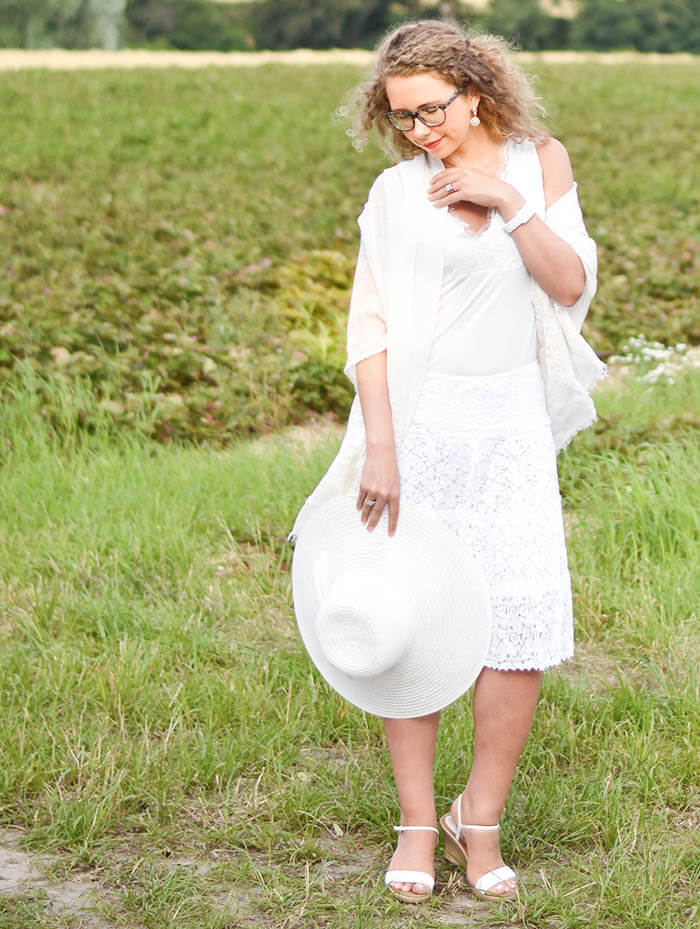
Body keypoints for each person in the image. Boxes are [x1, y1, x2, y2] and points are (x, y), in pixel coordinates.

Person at [291, 19, 605, 904]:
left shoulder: (540, 161)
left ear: (475, 91)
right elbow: (371, 328)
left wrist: (510, 204)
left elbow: (571, 283)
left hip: (507, 426)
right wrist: (381, 447)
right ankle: (418, 824)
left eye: (431, 110)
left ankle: (483, 818)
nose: (420, 131)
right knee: (412, 622)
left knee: (517, 634)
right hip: (420, 431)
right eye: (402, 118)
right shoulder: (396, 194)